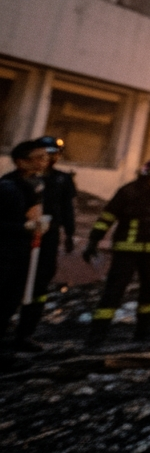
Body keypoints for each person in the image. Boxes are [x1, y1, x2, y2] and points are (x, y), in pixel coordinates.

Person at [83, 158, 150, 346]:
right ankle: (97, 335)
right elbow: (107, 217)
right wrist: (93, 241)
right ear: (145, 176)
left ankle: (144, 332)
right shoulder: (127, 192)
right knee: (114, 290)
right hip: (127, 250)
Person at [11, 136, 76, 351]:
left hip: (48, 236)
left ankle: (25, 333)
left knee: (39, 285)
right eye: (44, 155)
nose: (48, 159)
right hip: (20, 237)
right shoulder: (13, 182)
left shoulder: (62, 179)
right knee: (13, 283)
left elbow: (67, 208)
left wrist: (69, 234)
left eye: (52, 155)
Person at [1, 141, 49, 358]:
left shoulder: (34, 184)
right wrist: (23, 227)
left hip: (22, 250)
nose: (43, 162)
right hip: (5, 251)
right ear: (21, 161)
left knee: (12, 299)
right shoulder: (7, 187)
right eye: (38, 158)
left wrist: (39, 225)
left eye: (45, 157)